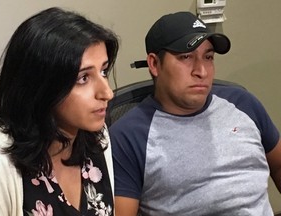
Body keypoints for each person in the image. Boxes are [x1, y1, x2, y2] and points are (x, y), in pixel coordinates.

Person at [109, 11, 281, 215]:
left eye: (208, 57)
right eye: (186, 57)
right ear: (154, 64)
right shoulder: (128, 136)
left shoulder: (243, 104)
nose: (202, 71)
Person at [0, 7, 119, 216]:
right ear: (42, 86)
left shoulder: (97, 138)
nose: (107, 93)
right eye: (83, 78)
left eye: (104, 71)